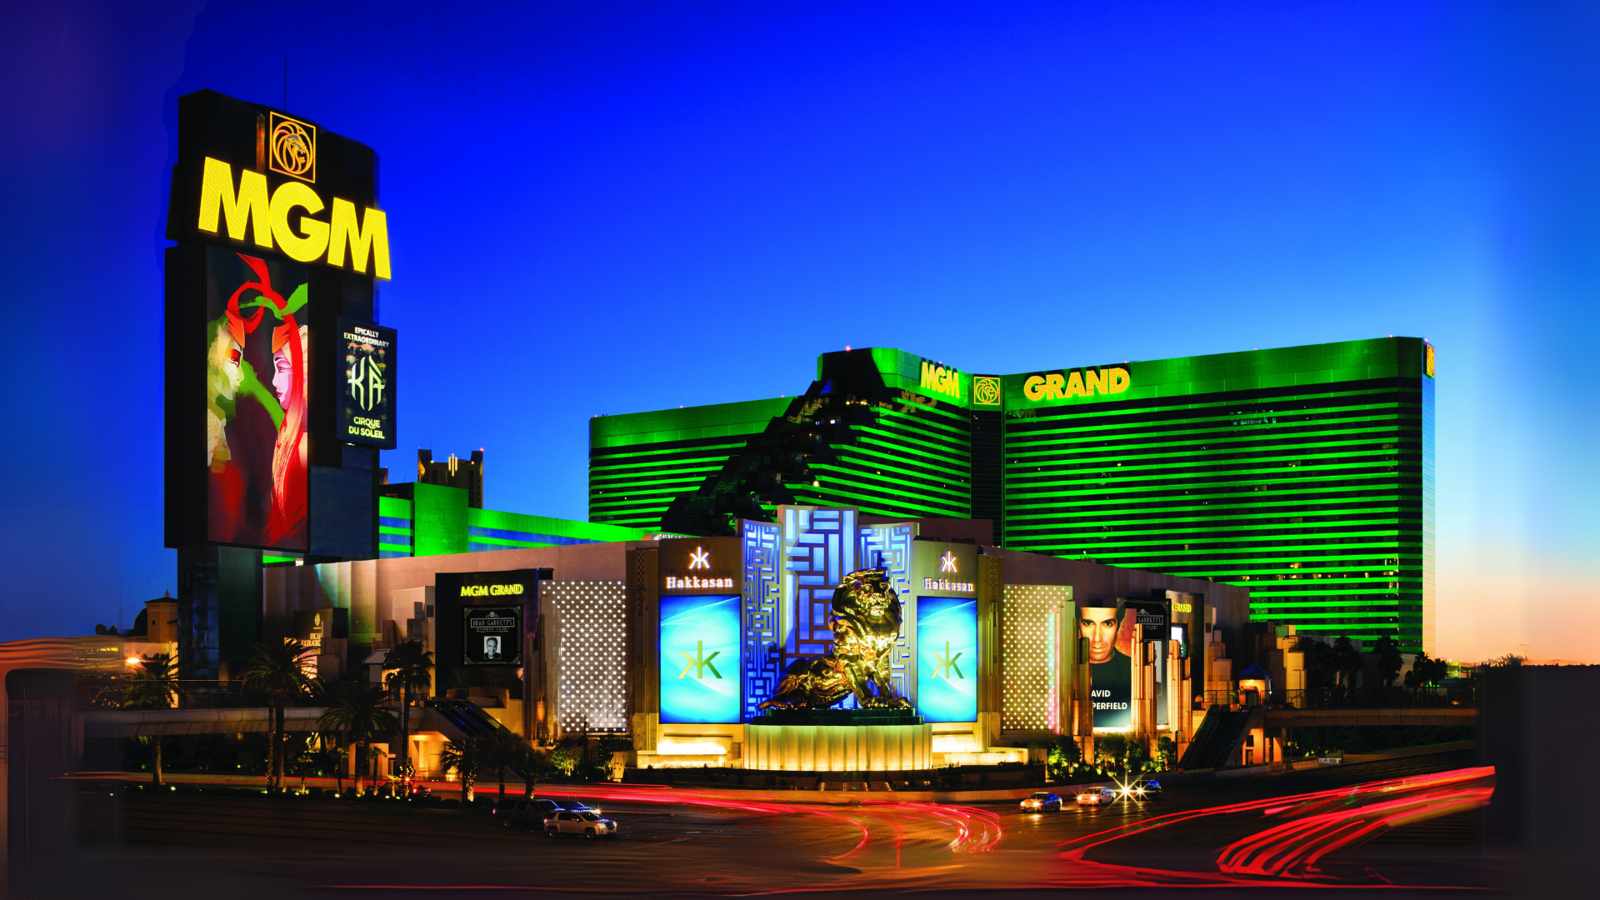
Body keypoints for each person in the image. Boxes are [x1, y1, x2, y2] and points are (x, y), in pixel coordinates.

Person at [1080, 602, 1132, 729]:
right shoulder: (1060, 672)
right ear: (1077, 625)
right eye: (1088, 623)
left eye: (1107, 623)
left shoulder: (1135, 671)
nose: (1097, 638)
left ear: (1118, 625)